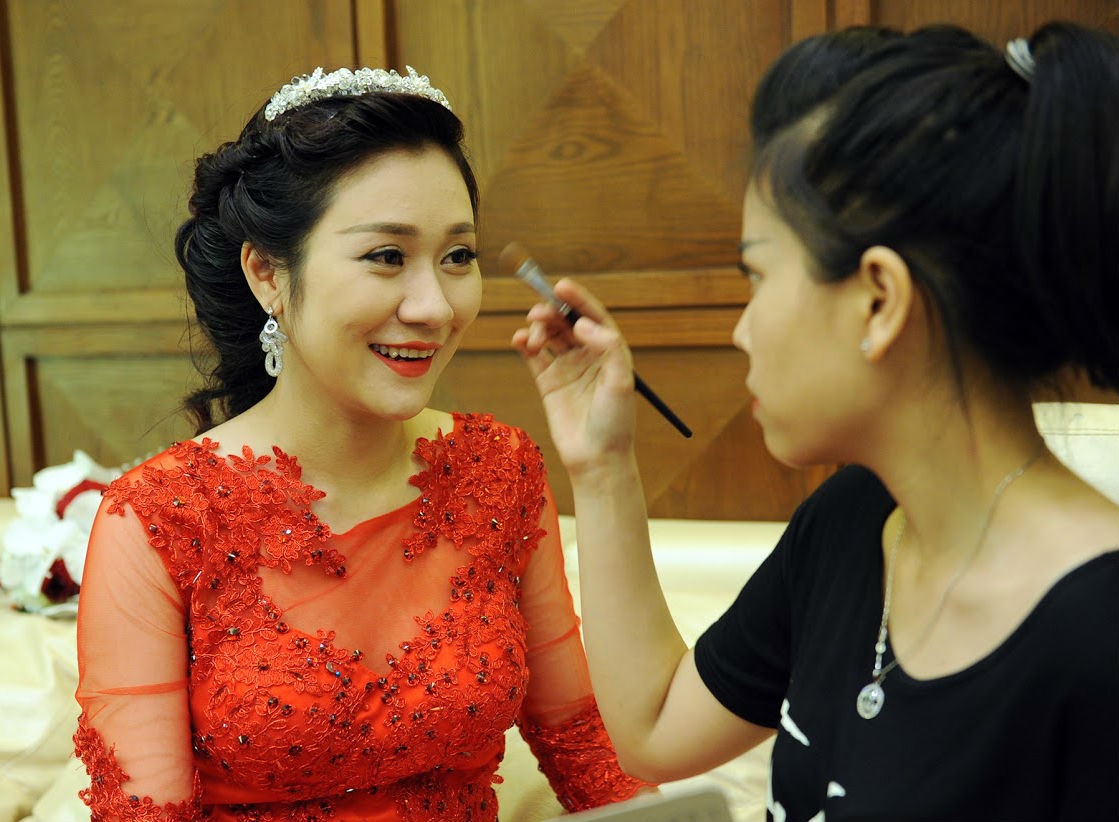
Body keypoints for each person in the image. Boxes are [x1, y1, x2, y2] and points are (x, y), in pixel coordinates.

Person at [513, 21, 1119, 821]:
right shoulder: (850, 520)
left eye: (757, 276)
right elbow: (654, 730)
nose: (742, 330)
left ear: (878, 300)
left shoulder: (1096, 632)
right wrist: (600, 464)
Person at [72, 66, 649, 821]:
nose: (434, 307)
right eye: (386, 256)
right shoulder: (158, 519)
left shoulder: (499, 471)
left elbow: (586, 748)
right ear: (267, 273)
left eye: (458, 257)